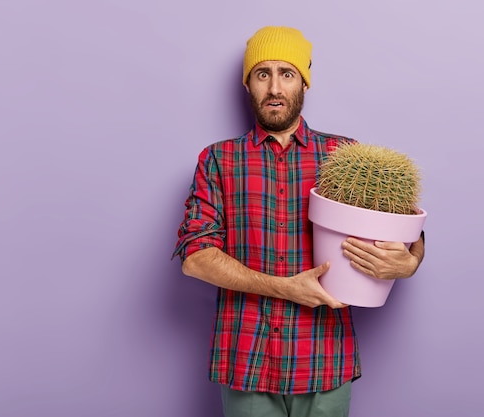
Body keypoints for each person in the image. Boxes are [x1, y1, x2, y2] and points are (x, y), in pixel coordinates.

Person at [172, 26, 425, 417]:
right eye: (262, 74)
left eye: (286, 74)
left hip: (324, 357)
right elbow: (195, 257)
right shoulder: (218, 160)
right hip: (247, 360)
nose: (274, 87)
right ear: (248, 85)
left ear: (304, 82)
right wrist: (285, 288)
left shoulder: (344, 154)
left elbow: (403, 223)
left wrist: (410, 260)